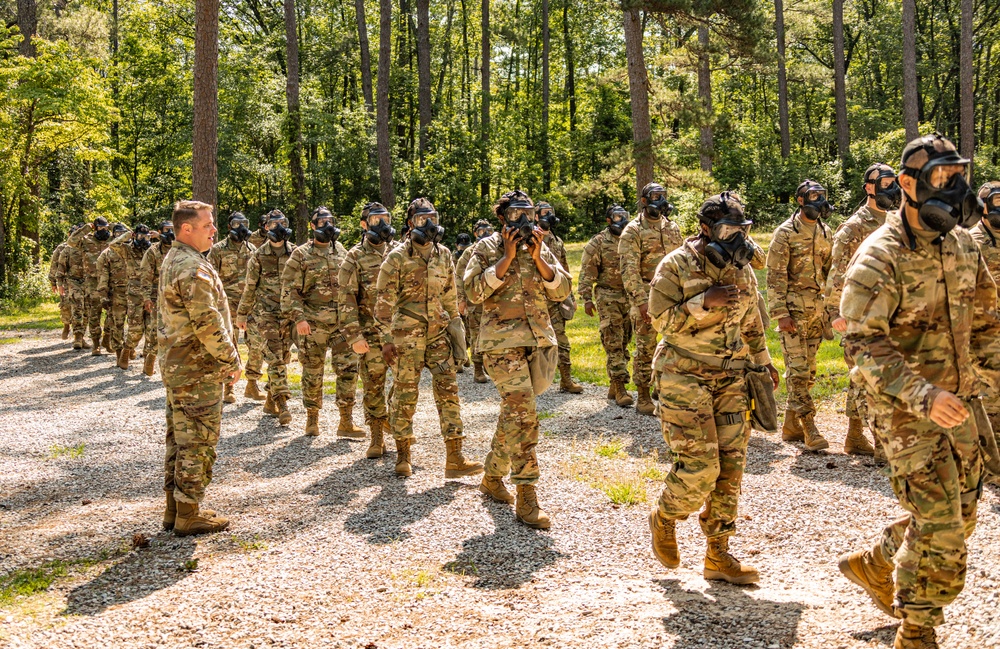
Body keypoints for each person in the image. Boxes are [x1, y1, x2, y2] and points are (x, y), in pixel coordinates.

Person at [838, 133, 1000, 649]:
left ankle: (876, 562)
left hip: (961, 400)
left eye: (958, 177)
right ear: (906, 184)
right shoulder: (878, 256)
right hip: (901, 408)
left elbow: (986, 324)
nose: (953, 190)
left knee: (964, 511)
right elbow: (862, 345)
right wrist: (924, 395)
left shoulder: (961, 244)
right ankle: (917, 631)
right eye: (940, 179)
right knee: (943, 526)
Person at [646, 192, 778, 584]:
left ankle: (718, 555)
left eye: (743, 230)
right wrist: (703, 301)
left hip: (731, 376)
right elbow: (660, 322)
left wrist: (763, 362)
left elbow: (752, 320)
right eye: (728, 230)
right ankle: (666, 516)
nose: (738, 238)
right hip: (682, 375)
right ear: (705, 229)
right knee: (702, 467)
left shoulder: (742, 268)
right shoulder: (676, 264)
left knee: (731, 469)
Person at [464, 190, 572, 529]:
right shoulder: (483, 249)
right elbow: (472, 293)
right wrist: (507, 256)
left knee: (514, 412)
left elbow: (563, 289)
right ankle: (527, 495)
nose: (523, 222)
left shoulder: (541, 245)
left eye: (528, 214)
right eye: (515, 216)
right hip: (500, 344)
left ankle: (492, 476)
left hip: (537, 340)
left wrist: (539, 257)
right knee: (524, 413)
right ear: (502, 218)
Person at [375, 198, 481, 479]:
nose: (429, 224)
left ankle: (455, 457)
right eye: (423, 219)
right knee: (405, 395)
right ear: (410, 224)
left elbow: (449, 296)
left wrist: (458, 335)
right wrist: (386, 340)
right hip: (406, 337)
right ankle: (403, 455)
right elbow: (383, 303)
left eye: (432, 217)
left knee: (449, 392)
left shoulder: (443, 254)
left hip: (438, 336)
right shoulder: (396, 257)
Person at [158, 200, 240, 536]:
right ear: (186, 229)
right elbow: (207, 322)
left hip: (181, 366)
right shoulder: (192, 267)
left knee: (179, 439)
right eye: (207, 225)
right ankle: (188, 513)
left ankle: (174, 508)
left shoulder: (176, 258)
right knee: (198, 441)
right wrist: (230, 360)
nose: (214, 231)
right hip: (196, 369)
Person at [824, 164, 900, 458]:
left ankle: (855, 435)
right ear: (869, 187)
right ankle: (881, 443)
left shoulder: (897, 221)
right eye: (885, 183)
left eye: (894, 183)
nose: (891, 189)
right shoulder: (854, 226)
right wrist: (835, 312)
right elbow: (838, 272)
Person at [281, 206, 363, 437]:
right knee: (313, 372)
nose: (327, 225)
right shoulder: (301, 254)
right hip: (313, 324)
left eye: (330, 221)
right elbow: (289, 290)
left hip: (341, 325)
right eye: (321, 222)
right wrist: (299, 319)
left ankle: (346, 421)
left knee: (348, 370)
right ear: (312, 226)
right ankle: (312, 419)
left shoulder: (341, 251)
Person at [766, 180, 833, 452]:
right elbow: (774, 276)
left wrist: (831, 307)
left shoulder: (826, 232)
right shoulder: (785, 233)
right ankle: (809, 426)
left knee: (811, 371)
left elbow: (830, 271)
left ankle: (791, 425)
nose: (818, 201)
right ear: (800, 201)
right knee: (797, 370)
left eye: (821, 196)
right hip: (793, 311)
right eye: (812, 196)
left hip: (816, 311)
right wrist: (781, 313)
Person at [618, 182, 684, 415]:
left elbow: (682, 261)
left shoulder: (672, 227)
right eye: (655, 196)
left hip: (673, 295)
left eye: (663, 196)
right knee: (645, 347)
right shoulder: (633, 230)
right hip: (647, 294)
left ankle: (665, 389)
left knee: (674, 345)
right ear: (644, 201)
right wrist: (641, 301)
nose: (660, 200)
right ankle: (644, 394)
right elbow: (629, 270)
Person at [339, 202, 397, 457]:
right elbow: (346, 298)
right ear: (364, 224)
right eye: (375, 220)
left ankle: (394, 423)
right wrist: (354, 336)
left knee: (405, 384)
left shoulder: (400, 251)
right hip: (370, 333)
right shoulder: (354, 257)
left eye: (385, 218)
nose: (382, 224)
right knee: (374, 384)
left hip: (400, 333)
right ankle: (376, 437)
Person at [236, 211, 296, 425]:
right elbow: (250, 287)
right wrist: (242, 314)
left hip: (289, 315)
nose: (278, 227)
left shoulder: (295, 253)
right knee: (275, 357)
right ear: (266, 228)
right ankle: (283, 404)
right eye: (273, 224)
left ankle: (270, 399)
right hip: (266, 314)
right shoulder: (259, 255)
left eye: (282, 223)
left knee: (283, 357)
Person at [580, 205, 634, 407]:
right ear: (609, 220)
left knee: (625, 341)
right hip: (607, 296)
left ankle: (613, 382)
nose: (622, 221)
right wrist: (586, 298)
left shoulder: (631, 239)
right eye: (617, 217)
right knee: (613, 341)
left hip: (629, 297)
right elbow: (586, 271)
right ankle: (621, 387)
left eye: (625, 216)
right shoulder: (599, 242)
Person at [208, 212, 257, 403]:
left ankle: (252, 383)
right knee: (230, 345)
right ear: (229, 227)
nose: (241, 227)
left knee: (256, 344)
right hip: (226, 305)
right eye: (237, 224)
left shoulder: (252, 249)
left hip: (249, 304)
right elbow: (211, 278)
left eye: (244, 223)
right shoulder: (218, 250)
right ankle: (228, 388)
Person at [969, 180, 1000, 485]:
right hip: (984, 333)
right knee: (991, 398)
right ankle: (991, 466)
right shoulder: (972, 241)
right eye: (998, 202)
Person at [536, 202, 582, 394]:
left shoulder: (557, 241)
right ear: (535, 216)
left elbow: (564, 270)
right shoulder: (529, 238)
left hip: (555, 300)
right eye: (545, 213)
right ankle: (534, 382)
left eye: (551, 213)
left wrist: (569, 296)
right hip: (536, 301)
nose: (550, 216)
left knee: (562, 340)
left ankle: (566, 379)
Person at [96, 225, 146, 366]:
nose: (121, 236)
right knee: (117, 324)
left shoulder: (136, 250)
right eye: (119, 234)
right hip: (116, 293)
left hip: (134, 293)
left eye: (123, 233)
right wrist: (103, 295)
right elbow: (103, 275)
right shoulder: (108, 253)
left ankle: (129, 347)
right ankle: (119, 352)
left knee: (134, 323)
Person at [67, 217, 114, 356]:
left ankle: (107, 338)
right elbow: (71, 241)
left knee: (113, 312)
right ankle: (96, 344)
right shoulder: (86, 240)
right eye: (101, 227)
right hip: (93, 282)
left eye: (105, 228)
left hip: (110, 282)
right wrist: (86, 228)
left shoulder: (112, 241)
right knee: (94, 313)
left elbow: (129, 236)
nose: (104, 230)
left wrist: (112, 226)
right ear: (95, 227)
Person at [457, 220, 495, 383]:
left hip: (494, 300)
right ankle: (478, 369)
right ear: (475, 234)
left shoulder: (496, 250)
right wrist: (461, 300)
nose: (485, 233)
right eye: (481, 231)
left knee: (494, 334)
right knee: (476, 335)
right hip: (474, 301)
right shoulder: (469, 252)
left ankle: (493, 367)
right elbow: (459, 276)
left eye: (489, 230)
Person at [138, 221, 175, 375]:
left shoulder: (179, 250)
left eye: (173, 230)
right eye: (167, 230)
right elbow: (145, 277)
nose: (171, 233)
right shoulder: (152, 252)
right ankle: (150, 359)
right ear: (159, 232)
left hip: (175, 296)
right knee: (155, 330)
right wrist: (146, 298)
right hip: (156, 295)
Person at [49, 231, 74, 340]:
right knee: (66, 305)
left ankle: (79, 335)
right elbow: (54, 265)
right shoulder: (62, 248)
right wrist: (53, 282)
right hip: (65, 281)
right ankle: (66, 325)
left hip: (81, 281)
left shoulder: (85, 246)